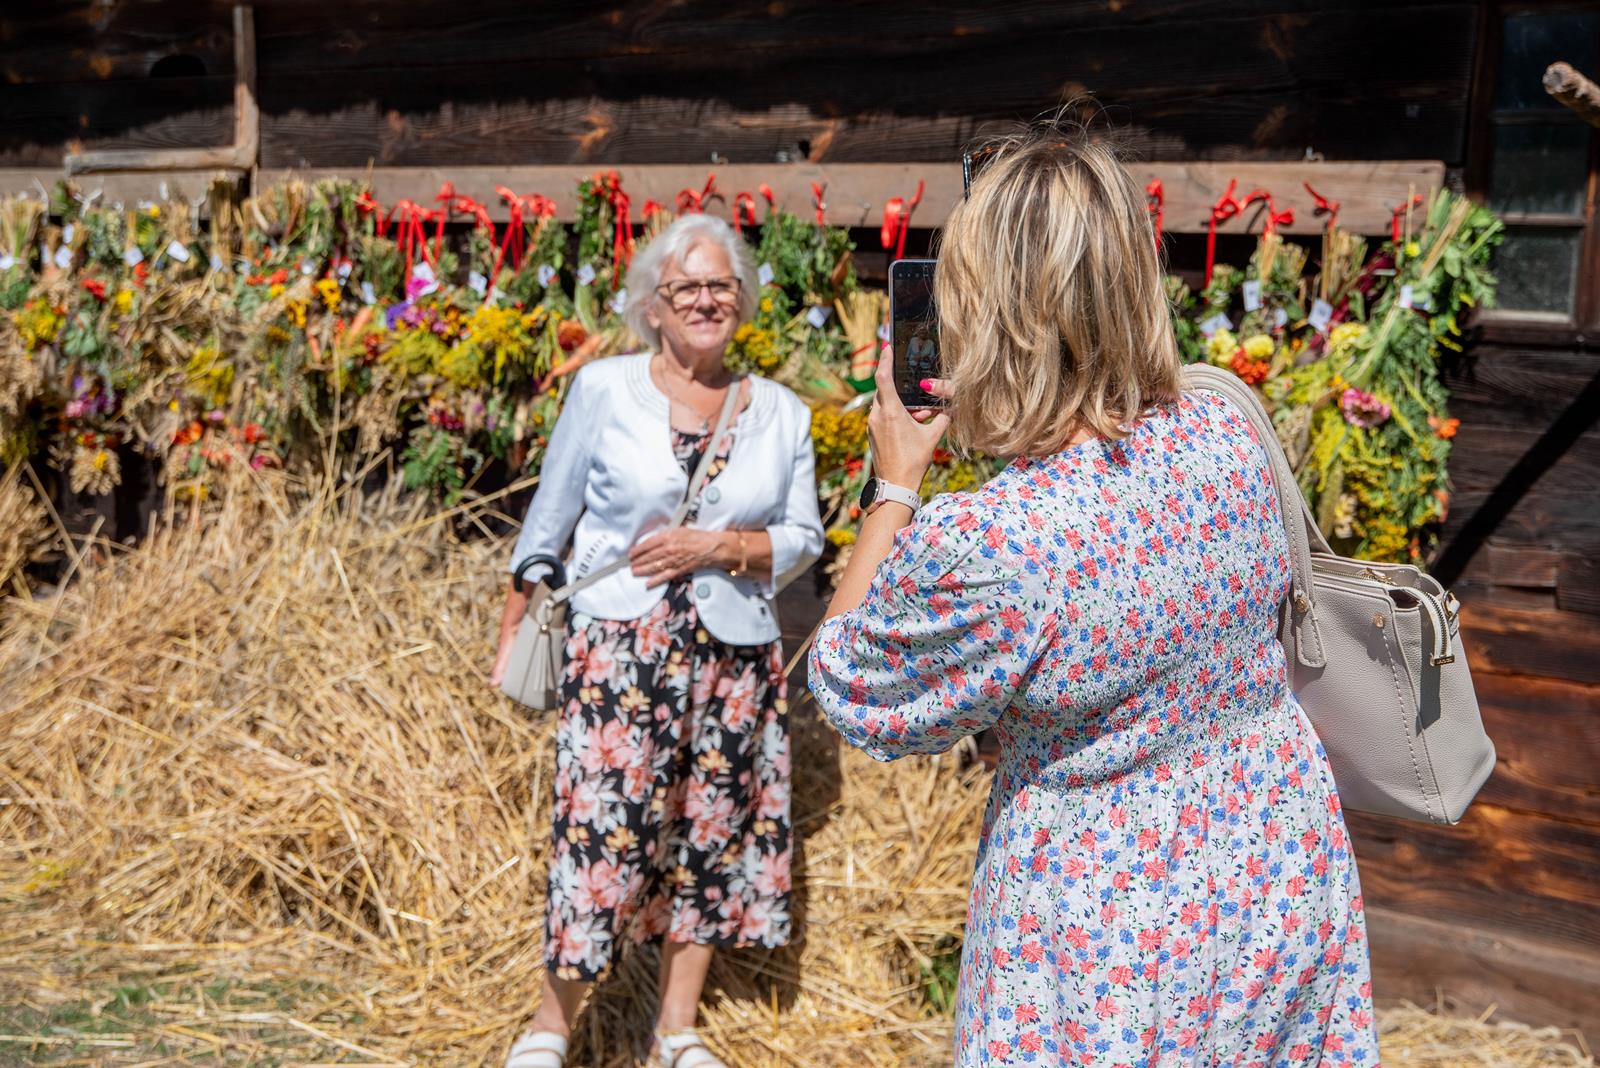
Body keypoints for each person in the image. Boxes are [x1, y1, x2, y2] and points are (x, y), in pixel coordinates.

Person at [808, 126, 1381, 1066]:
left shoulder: (1000, 544)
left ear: (990, 308)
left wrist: (895, 484)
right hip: (1273, 864)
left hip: (1106, 916)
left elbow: (850, 687)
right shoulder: (1227, 427)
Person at [492, 213, 824, 1068]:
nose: (707, 301)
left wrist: (720, 547)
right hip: (619, 656)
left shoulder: (782, 413)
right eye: (688, 288)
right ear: (654, 306)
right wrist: (516, 620)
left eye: (722, 286)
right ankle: (551, 1026)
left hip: (734, 660)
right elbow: (547, 523)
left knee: (713, 835)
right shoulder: (604, 390)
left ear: (741, 300)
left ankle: (676, 1030)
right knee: (601, 835)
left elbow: (804, 538)